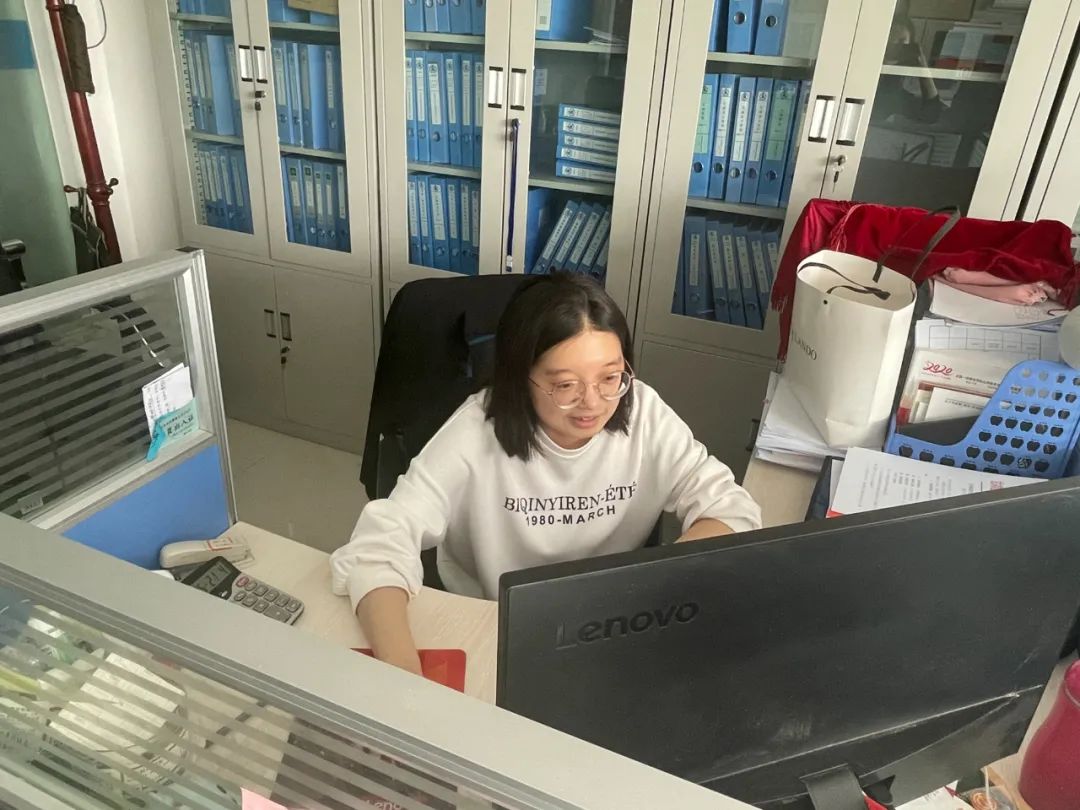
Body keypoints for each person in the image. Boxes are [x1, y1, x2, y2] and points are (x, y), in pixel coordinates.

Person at [330, 273, 762, 675]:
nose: (593, 402)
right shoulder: (476, 432)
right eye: (565, 385)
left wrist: (647, 587)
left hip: (612, 628)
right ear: (521, 377)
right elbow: (377, 547)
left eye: (610, 377)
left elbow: (731, 509)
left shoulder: (644, 413)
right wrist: (403, 675)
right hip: (495, 625)